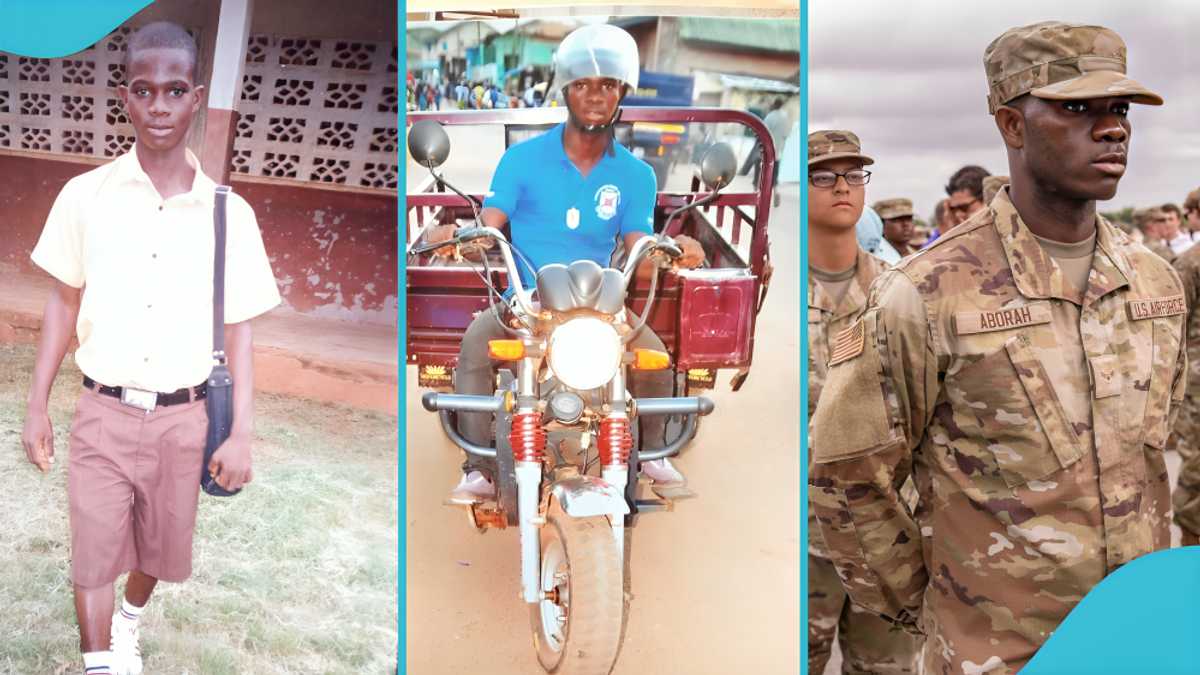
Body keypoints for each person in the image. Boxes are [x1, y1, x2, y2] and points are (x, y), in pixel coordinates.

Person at [810, 21, 1184, 674]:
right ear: (1012, 125)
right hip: (1000, 656)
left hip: (1136, 644)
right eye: (1078, 109)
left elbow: (1156, 452)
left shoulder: (1154, 283)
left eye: (1119, 109)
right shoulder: (925, 292)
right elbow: (847, 475)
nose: (1112, 129)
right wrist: (938, 608)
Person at [20, 22, 280, 675]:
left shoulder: (229, 215)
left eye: (173, 90)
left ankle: (129, 622)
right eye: (143, 90)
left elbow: (240, 331)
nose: (158, 105)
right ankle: (99, 663)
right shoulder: (85, 197)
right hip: (101, 411)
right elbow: (63, 302)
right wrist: (36, 405)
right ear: (125, 98)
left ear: (195, 97)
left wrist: (242, 433)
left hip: (184, 418)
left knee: (159, 550)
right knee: (92, 553)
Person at [424, 24, 706, 503]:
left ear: (622, 93)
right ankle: (480, 468)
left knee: (656, 359)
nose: (595, 95)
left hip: (600, 302)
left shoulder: (637, 174)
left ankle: (651, 454)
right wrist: (459, 238)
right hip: (528, 300)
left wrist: (670, 247)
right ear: (566, 91)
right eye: (583, 85)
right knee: (474, 345)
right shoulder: (521, 159)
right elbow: (490, 221)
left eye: (608, 85)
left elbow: (639, 237)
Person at [807, 130, 921, 674]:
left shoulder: (903, 291)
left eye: (854, 175)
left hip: (889, 528)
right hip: (804, 530)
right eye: (824, 176)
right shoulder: (773, 295)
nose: (842, 187)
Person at [764, 98, 790, 207]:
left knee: (764, 174)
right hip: (778, 152)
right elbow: (786, 134)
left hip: (767, 151)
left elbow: (763, 130)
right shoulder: (785, 117)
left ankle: (762, 196)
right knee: (774, 175)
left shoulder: (770, 116)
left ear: (774, 105)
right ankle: (775, 192)